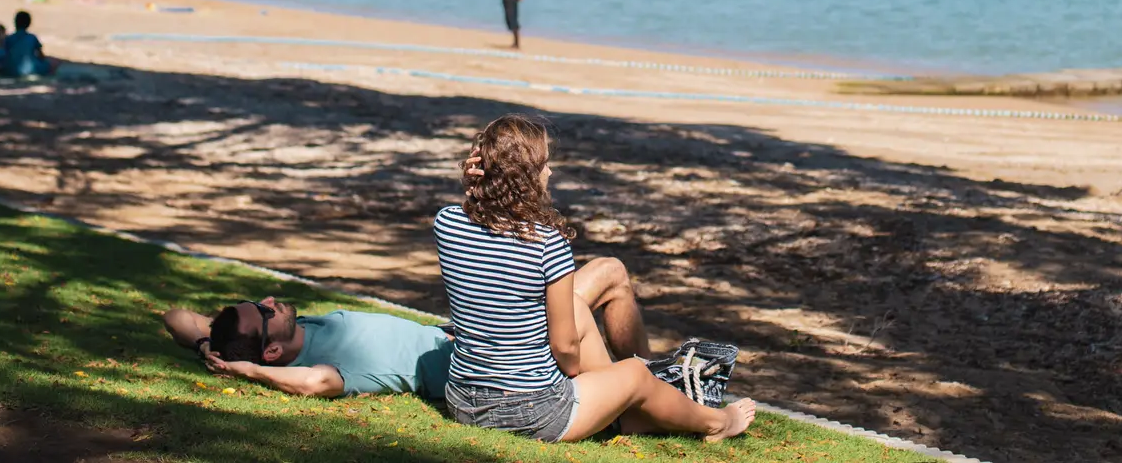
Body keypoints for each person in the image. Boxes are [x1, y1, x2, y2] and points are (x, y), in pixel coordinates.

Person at [433, 115, 752, 444]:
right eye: (544, 164)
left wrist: (473, 185)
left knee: (597, 284)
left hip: (463, 399)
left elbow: (473, 212)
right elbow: (566, 348)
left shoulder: (447, 223)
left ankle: (634, 408)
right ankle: (717, 422)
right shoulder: (545, 244)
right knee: (632, 374)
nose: (550, 171)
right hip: (530, 410)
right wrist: (570, 369)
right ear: (525, 176)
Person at [161, 257, 652, 400]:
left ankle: (639, 381)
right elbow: (313, 384)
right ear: (270, 353)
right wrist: (248, 372)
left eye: (259, 302)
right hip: (488, 354)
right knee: (609, 274)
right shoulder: (325, 367)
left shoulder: (282, 334)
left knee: (609, 279)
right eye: (264, 313)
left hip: (468, 333)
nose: (270, 302)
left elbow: (173, 317)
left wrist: (209, 344)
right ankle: (638, 385)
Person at [0, 11, 53, 75]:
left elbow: (5, 53)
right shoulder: (32, 37)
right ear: (29, 24)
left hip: (10, 70)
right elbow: (41, 55)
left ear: (15, 22)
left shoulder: (10, 38)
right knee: (47, 64)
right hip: (28, 70)